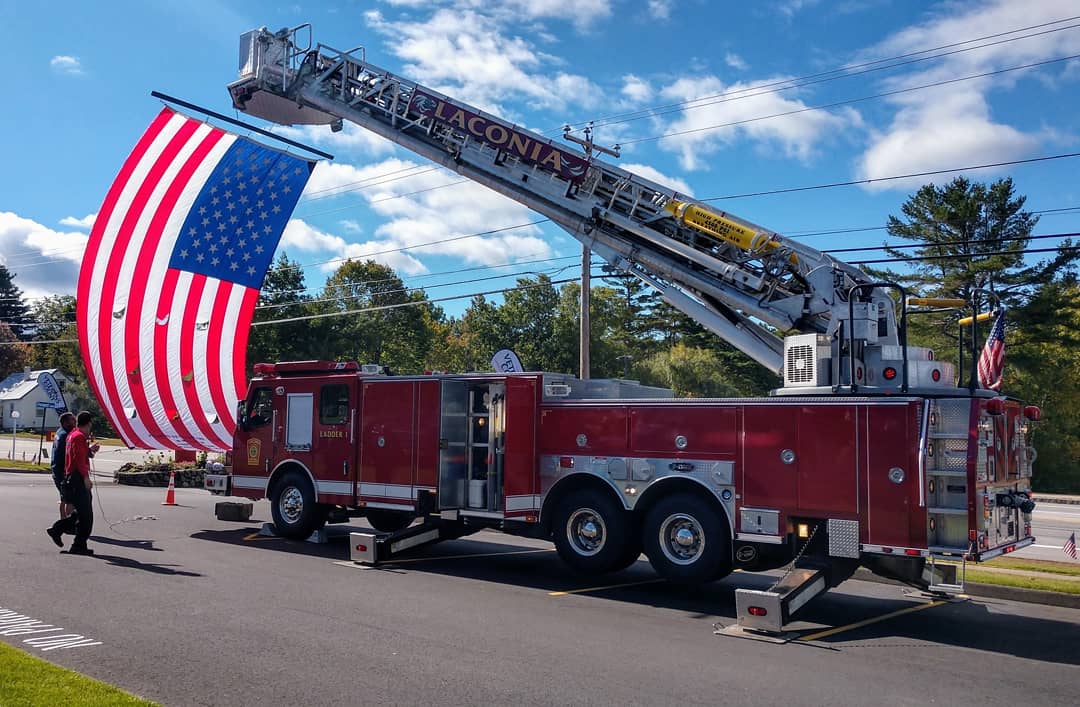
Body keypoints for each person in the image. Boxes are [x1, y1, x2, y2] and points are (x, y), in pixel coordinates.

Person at [46, 411, 100, 555]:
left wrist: (89, 451)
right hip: (76, 479)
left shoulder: (72, 435)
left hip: (71, 478)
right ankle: (78, 544)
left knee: (80, 513)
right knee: (86, 516)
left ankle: (57, 530)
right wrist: (85, 478)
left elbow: (79, 454)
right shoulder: (78, 437)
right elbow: (78, 460)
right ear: (88, 423)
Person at [50, 412, 77, 520]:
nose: (74, 421)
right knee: (71, 499)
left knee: (64, 497)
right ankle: (68, 523)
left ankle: (63, 520)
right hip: (62, 471)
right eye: (72, 420)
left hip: (56, 469)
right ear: (65, 422)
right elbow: (71, 453)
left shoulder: (59, 432)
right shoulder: (65, 435)